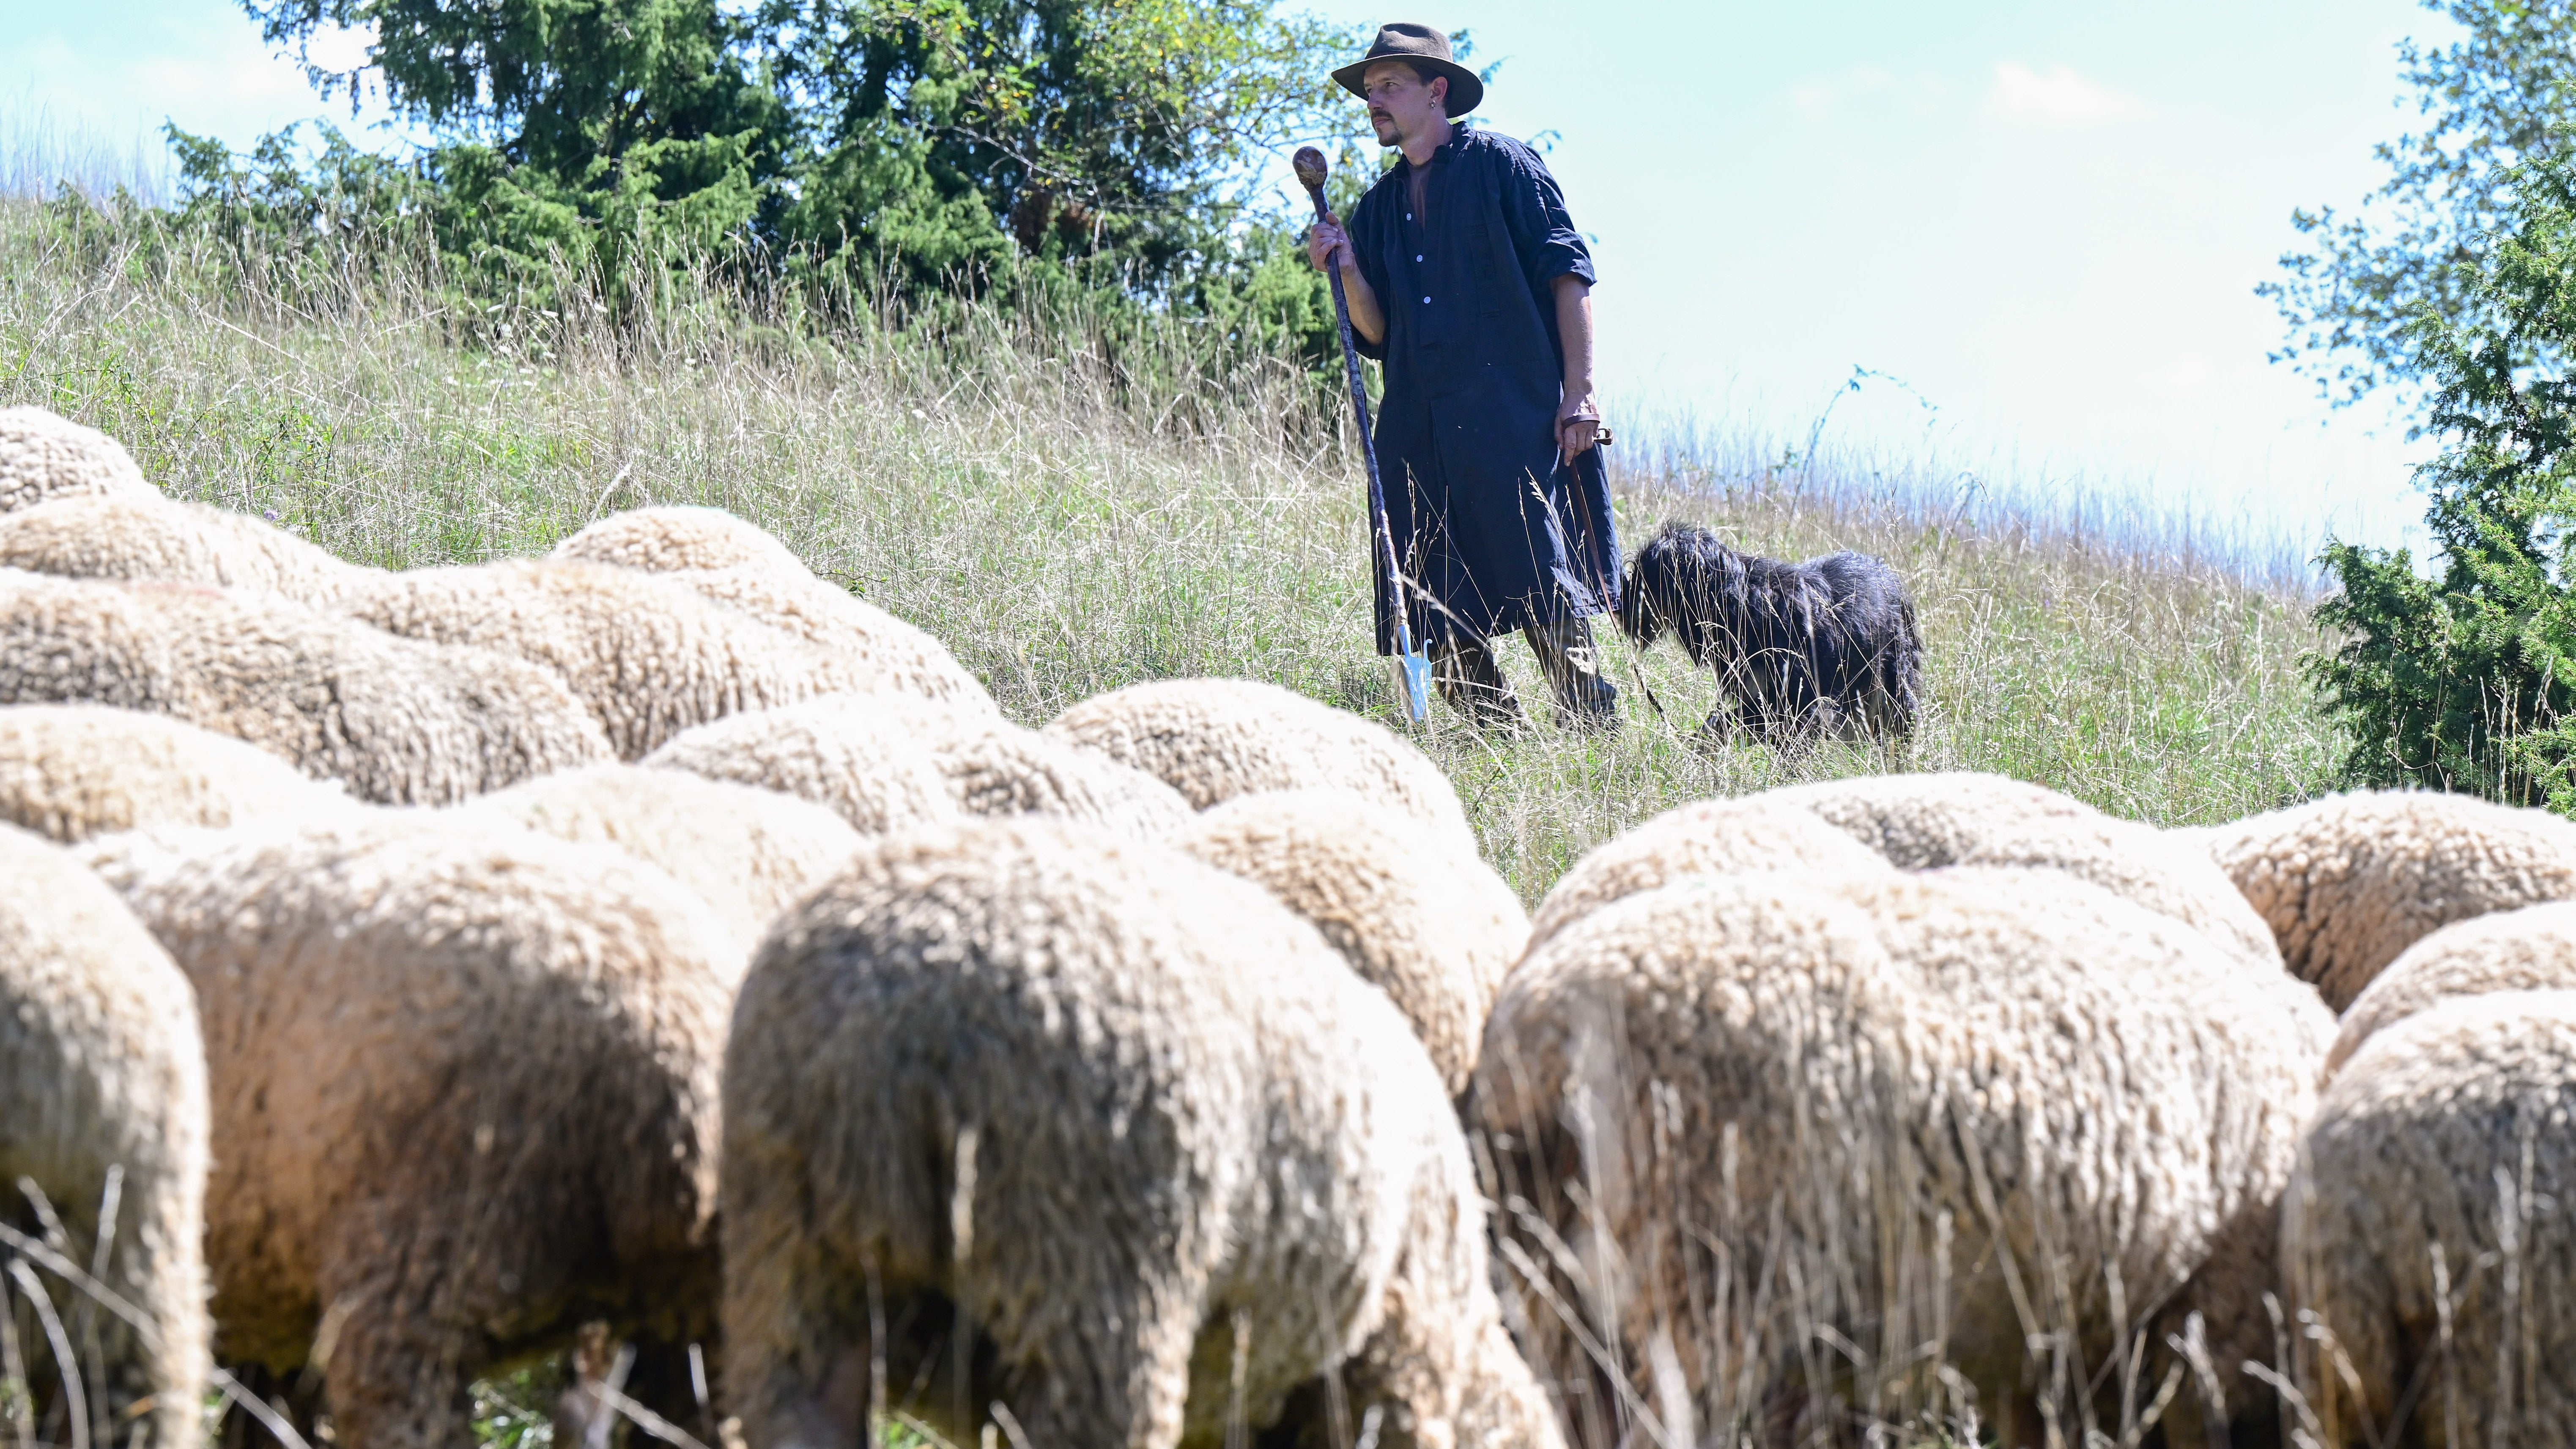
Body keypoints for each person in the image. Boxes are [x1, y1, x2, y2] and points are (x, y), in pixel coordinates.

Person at [1307, 21, 1620, 733]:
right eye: (1369, 90)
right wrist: (1348, 268)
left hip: (1515, 424)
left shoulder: (1505, 166)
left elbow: (1569, 276)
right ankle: (1502, 748)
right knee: (1427, 605)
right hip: (1419, 438)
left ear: (1437, 91)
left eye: (1389, 86)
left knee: (1548, 588)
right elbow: (1379, 334)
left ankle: (1594, 743)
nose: (1373, 101)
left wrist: (1581, 393)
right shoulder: (1378, 208)